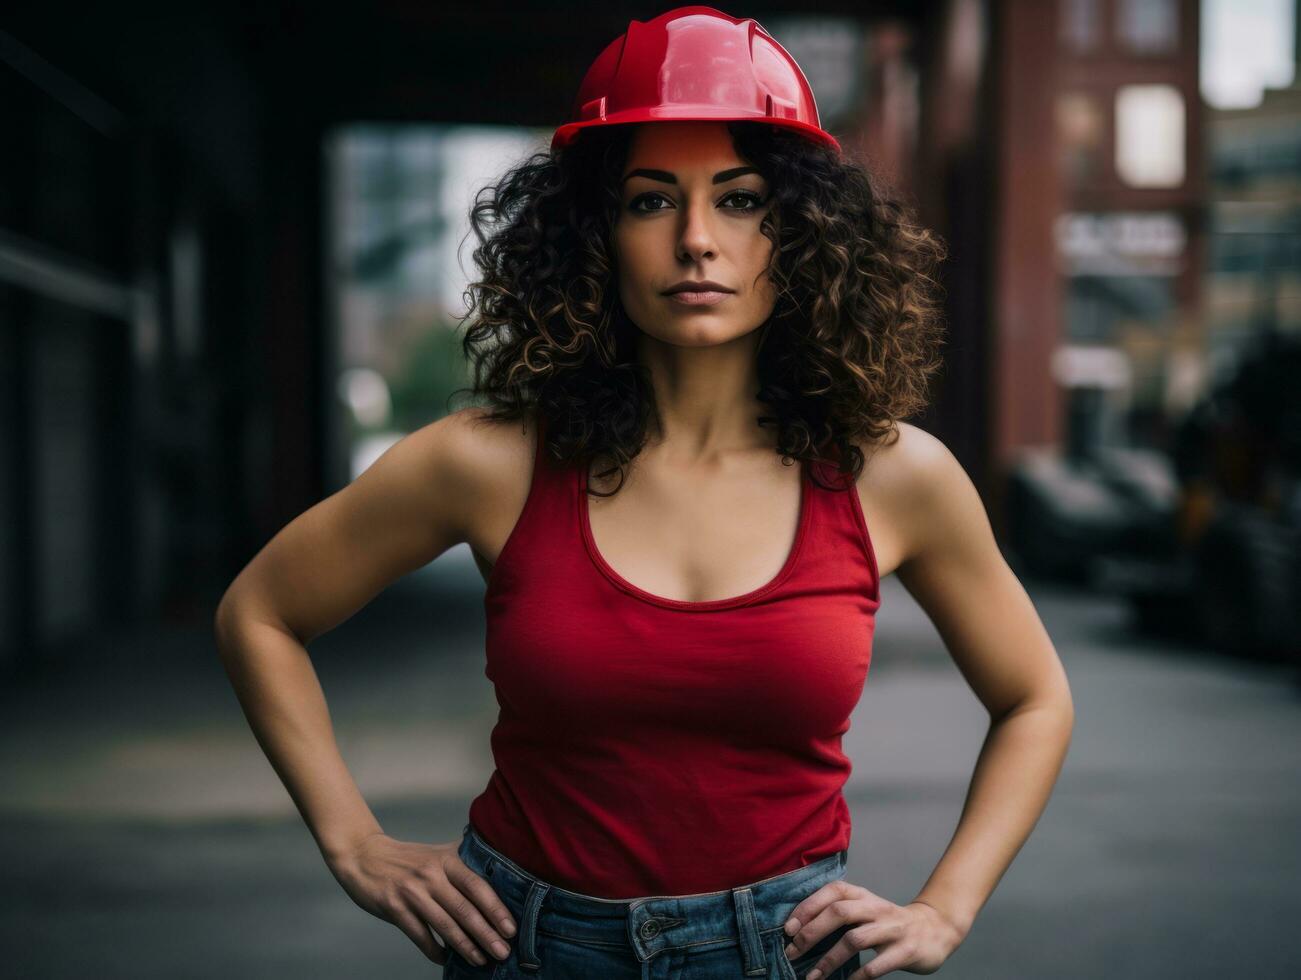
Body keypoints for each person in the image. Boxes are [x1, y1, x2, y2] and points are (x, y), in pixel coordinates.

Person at [214, 6, 1075, 979]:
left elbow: (1032, 695)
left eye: (742, 199)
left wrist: (943, 906)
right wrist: (353, 840)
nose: (697, 239)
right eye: (650, 200)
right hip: (523, 947)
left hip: (780, 953)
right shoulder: (484, 462)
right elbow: (261, 613)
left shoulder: (891, 474)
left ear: (799, 235)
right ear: (594, 233)